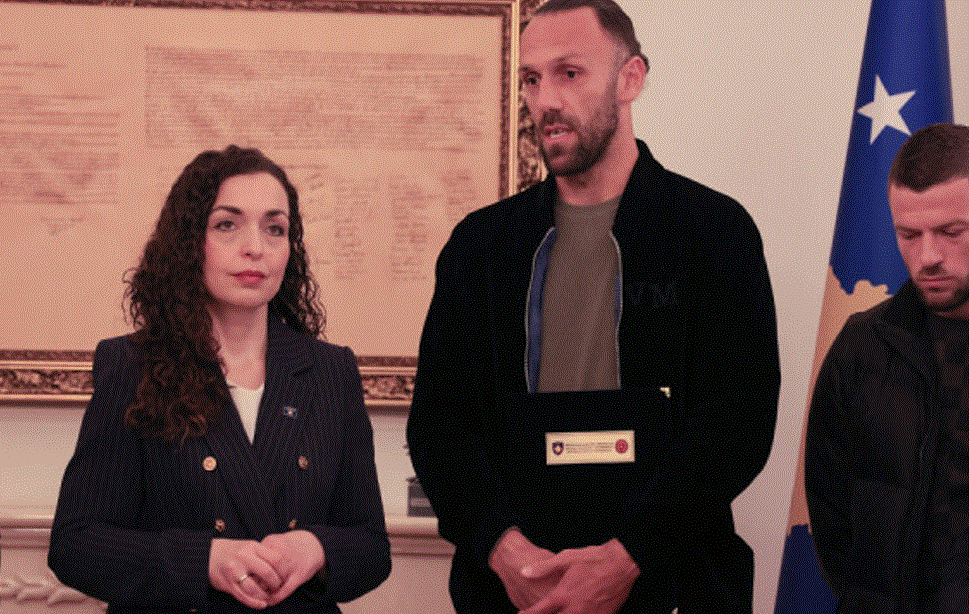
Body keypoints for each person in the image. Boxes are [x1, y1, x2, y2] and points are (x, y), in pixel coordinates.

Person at [405, 1, 780, 612]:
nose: (546, 100)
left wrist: (629, 556)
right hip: (515, 591)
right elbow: (440, 430)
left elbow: (737, 423)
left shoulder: (713, 232)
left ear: (630, 79)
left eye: (569, 73)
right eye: (532, 79)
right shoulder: (481, 246)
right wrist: (505, 552)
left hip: (674, 585)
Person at [48, 145, 391, 612]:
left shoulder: (331, 371)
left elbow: (371, 546)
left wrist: (316, 549)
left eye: (275, 228)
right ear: (190, 241)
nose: (255, 247)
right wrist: (203, 560)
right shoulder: (133, 365)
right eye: (227, 225)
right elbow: (76, 544)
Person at [806, 123, 969, 614]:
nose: (928, 257)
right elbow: (831, 514)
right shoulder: (862, 348)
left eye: (951, 232)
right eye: (908, 235)